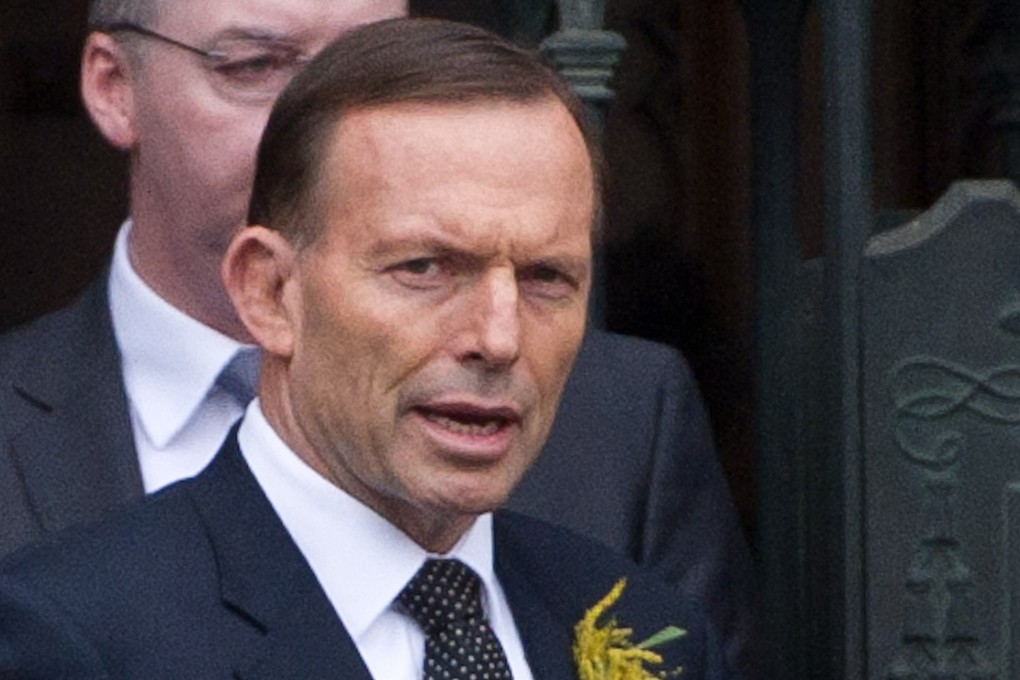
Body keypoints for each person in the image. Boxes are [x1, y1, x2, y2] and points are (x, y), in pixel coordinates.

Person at [0, 0, 755, 674]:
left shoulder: (654, 630)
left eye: (545, 278)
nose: (498, 337)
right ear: (269, 290)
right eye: (425, 268)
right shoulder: (69, 634)